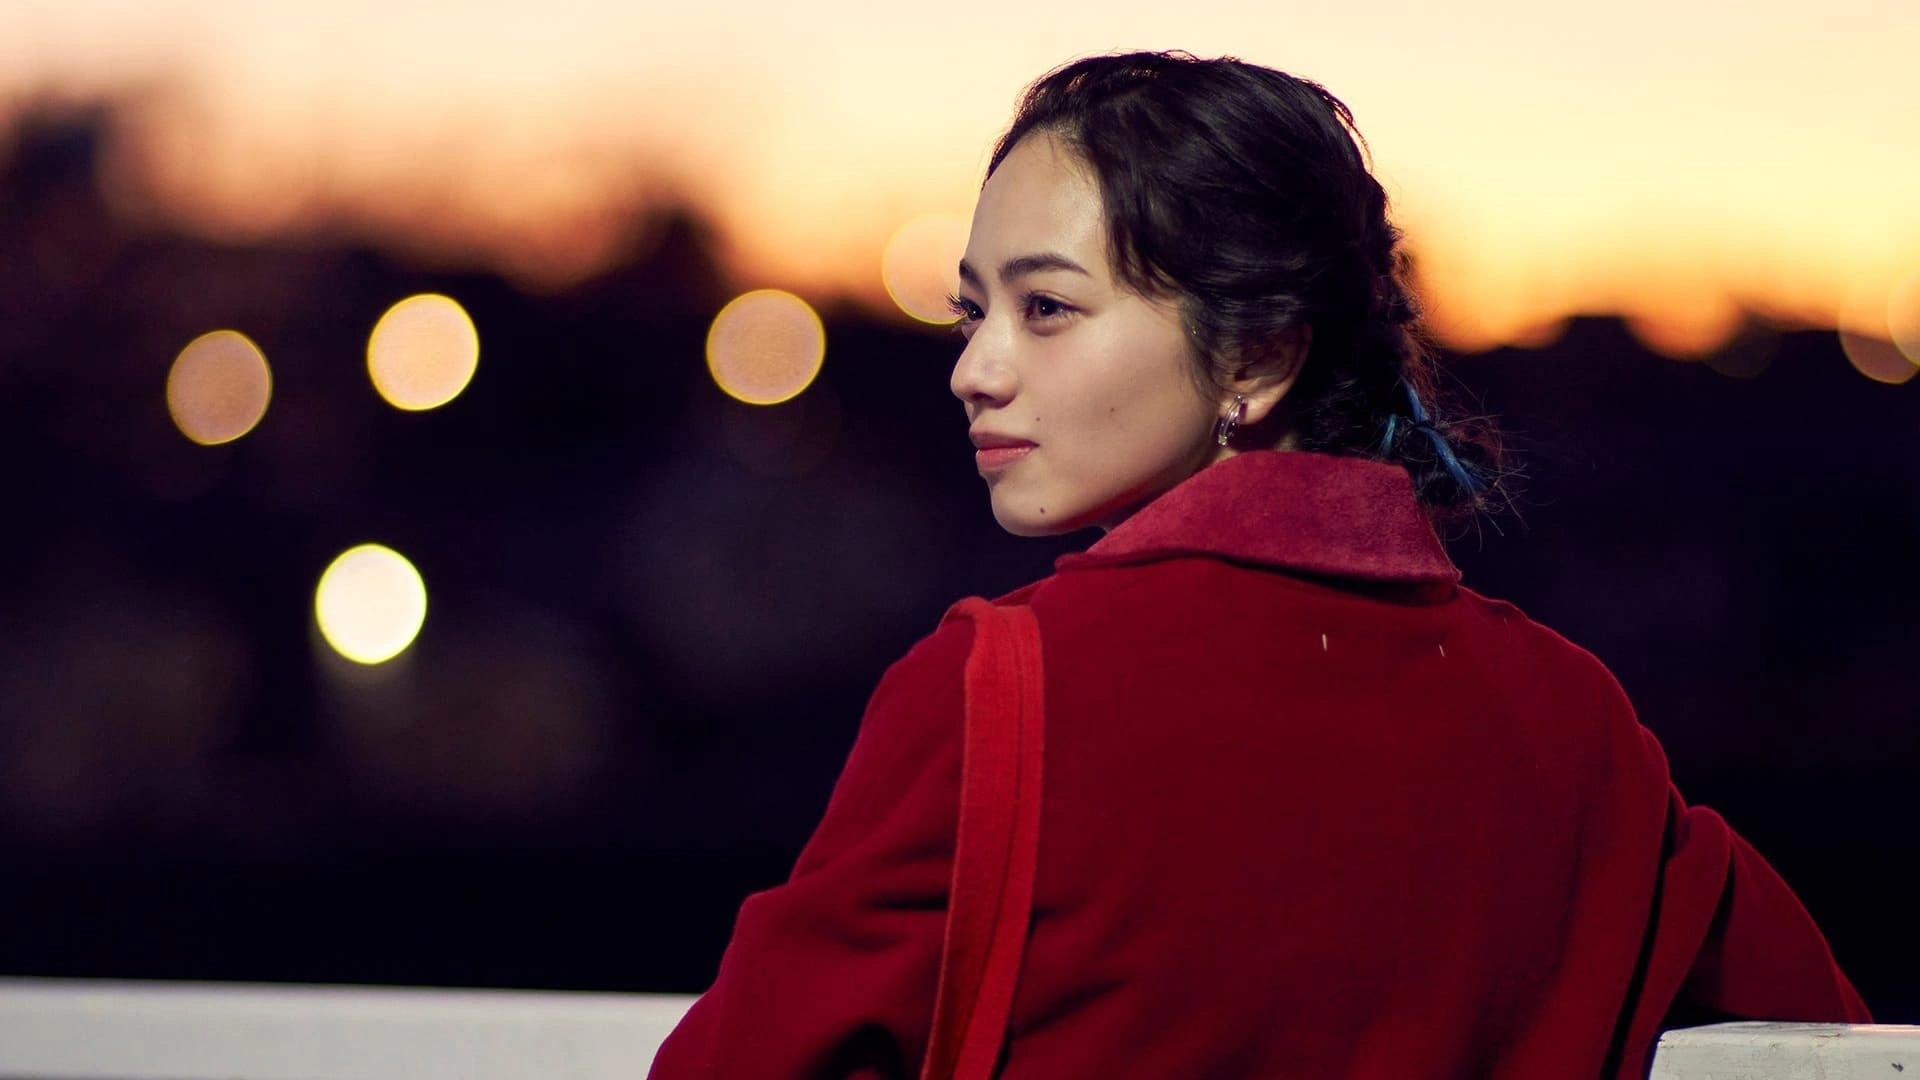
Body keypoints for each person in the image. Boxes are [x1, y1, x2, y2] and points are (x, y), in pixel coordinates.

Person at [648, 51, 1869, 1078]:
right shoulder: (1574, 720)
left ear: (1261, 356)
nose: (975, 369)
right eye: (974, 313)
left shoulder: (996, 694)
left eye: (1047, 308)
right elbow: (1840, 1049)